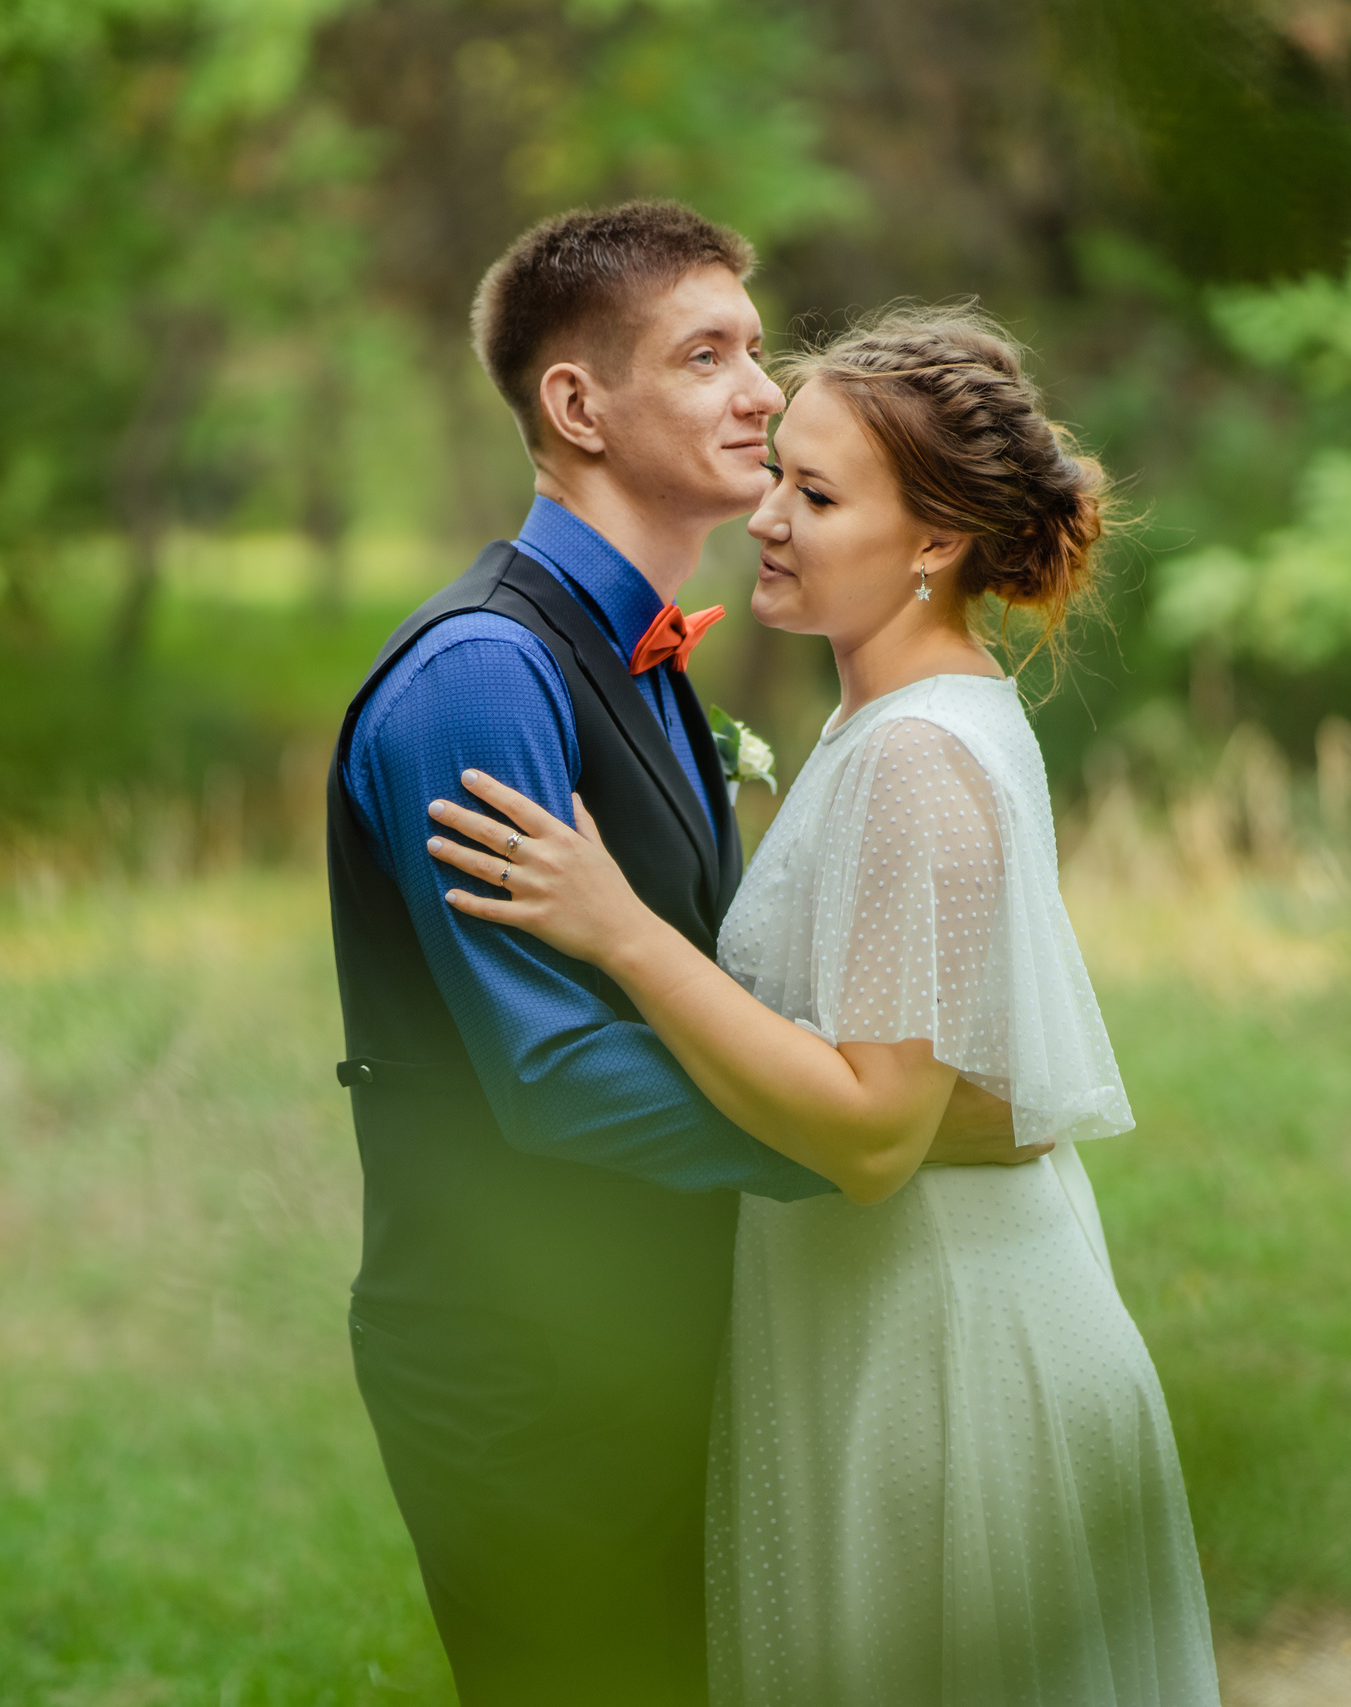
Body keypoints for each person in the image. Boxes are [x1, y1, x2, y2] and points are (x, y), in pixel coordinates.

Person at [423, 304, 1223, 1705]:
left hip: (943, 1373)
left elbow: (868, 1135)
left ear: (934, 545)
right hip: (872, 1341)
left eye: (818, 494)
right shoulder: (887, 720)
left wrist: (621, 932)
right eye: (779, 475)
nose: (768, 520)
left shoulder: (920, 755)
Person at [325, 206, 1036, 1706]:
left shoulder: (644, 653)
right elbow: (558, 1077)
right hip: (527, 1374)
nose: (762, 394)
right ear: (576, 408)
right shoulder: (481, 681)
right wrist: (865, 1139)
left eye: (754, 350)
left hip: (654, 1340)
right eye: (704, 356)